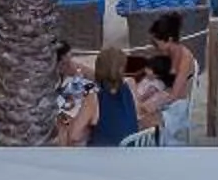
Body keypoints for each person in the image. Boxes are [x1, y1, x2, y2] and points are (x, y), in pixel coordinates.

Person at [147, 12, 201, 144]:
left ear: (169, 40)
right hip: (166, 100)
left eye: (156, 42)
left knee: (143, 122)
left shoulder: (185, 58)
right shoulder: (167, 54)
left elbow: (175, 94)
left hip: (177, 107)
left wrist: (153, 104)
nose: (154, 46)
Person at [82, 46, 144, 148]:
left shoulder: (94, 99)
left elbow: (74, 136)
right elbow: (137, 116)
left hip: (102, 156)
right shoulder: (131, 85)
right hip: (130, 152)